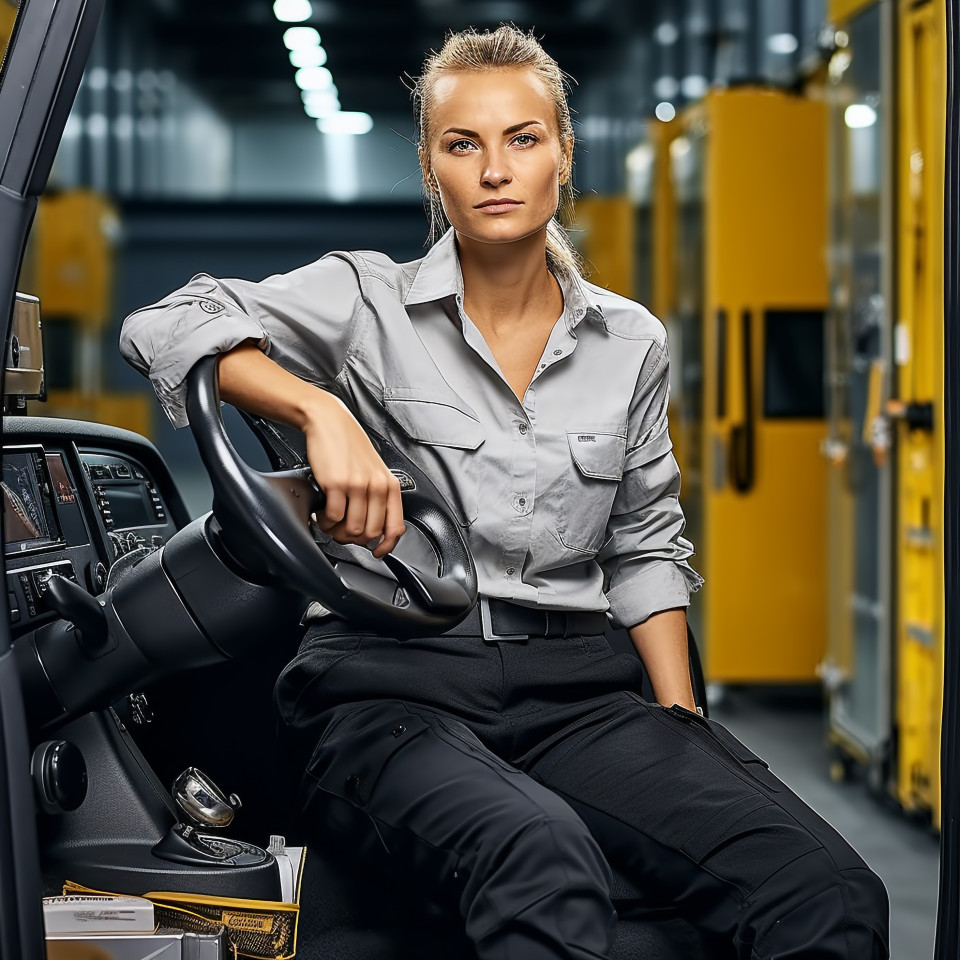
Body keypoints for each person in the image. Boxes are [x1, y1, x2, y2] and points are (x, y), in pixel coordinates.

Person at [120, 24, 889, 960]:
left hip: (579, 693)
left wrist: (680, 723)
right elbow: (167, 322)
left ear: (565, 154)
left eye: (523, 138)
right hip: (387, 686)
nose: (495, 168)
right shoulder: (362, 301)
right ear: (429, 165)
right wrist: (319, 409)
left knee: (827, 890)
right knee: (539, 856)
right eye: (463, 143)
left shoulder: (630, 341)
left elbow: (645, 542)